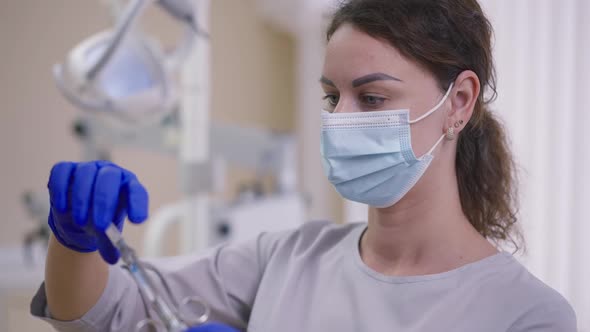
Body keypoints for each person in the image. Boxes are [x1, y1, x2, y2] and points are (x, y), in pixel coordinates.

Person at [31, 0, 578, 331]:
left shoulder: (526, 315)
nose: (340, 119)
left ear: (458, 102)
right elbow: (105, 313)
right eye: (331, 97)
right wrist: (73, 237)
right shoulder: (287, 261)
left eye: (372, 98)